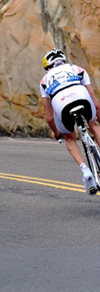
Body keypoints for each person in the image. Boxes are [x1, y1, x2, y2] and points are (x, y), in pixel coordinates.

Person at [39, 48, 100, 195]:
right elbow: (96, 103)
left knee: (70, 137)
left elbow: (49, 117)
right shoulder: (77, 69)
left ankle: (85, 170)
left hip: (61, 103)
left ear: (48, 67)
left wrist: (57, 133)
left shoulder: (45, 80)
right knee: (93, 125)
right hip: (82, 96)